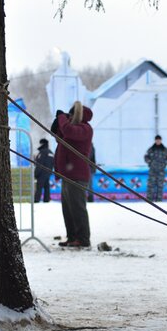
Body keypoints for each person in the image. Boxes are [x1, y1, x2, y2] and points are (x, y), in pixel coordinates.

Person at [54, 101, 93, 248]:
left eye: (70, 116)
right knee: (68, 210)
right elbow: (62, 136)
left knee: (77, 208)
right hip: (67, 175)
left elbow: (69, 131)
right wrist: (58, 125)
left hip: (77, 174)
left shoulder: (85, 129)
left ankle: (83, 239)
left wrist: (62, 118)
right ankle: (72, 237)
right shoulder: (74, 128)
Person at [145, 135, 167, 202]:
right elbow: (146, 157)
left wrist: (164, 164)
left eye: (159, 140)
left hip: (161, 171)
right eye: (157, 140)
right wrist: (150, 163)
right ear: (155, 140)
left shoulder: (165, 150)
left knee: (160, 186)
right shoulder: (151, 149)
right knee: (150, 186)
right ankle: (149, 200)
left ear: (161, 140)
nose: (158, 141)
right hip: (152, 171)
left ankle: (159, 201)